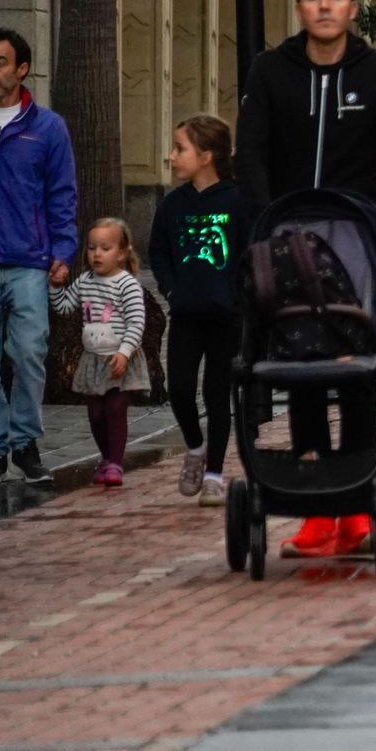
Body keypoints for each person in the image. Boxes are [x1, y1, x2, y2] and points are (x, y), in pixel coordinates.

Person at [236, 0, 376, 558]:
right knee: (300, 358)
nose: (323, 5)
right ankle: (316, 504)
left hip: (356, 233)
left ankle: (358, 507)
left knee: (358, 361)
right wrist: (267, 222)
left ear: (352, 8)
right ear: (299, 8)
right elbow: (252, 150)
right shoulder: (271, 71)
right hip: (286, 236)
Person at [0, 28, 77, 486]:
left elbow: (62, 195)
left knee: (29, 351)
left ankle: (25, 441)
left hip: (28, 261)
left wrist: (63, 250)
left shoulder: (47, 127)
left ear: (22, 69)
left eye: (0, 63)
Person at [150, 114, 245, 506]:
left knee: (218, 395)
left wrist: (238, 295)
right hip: (186, 314)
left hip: (226, 316)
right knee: (181, 390)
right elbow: (158, 251)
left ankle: (214, 474)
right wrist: (173, 291)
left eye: (180, 148)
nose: (172, 156)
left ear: (206, 156)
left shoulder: (238, 199)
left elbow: (249, 249)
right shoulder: (174, 203)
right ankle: (194, 446)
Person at [49, 219, 149, 488]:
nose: (97, 253)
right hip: (92, 358)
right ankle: (105, 457)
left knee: (115, 409)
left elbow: (136, 321)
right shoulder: (85, 281)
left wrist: (125, 352)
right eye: (92, 247)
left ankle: (115, 462)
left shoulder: (126, 284)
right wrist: (56, 286)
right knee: (95, 413)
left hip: (118, 358)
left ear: (121, 253)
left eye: (105, 248)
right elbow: (64, 307)